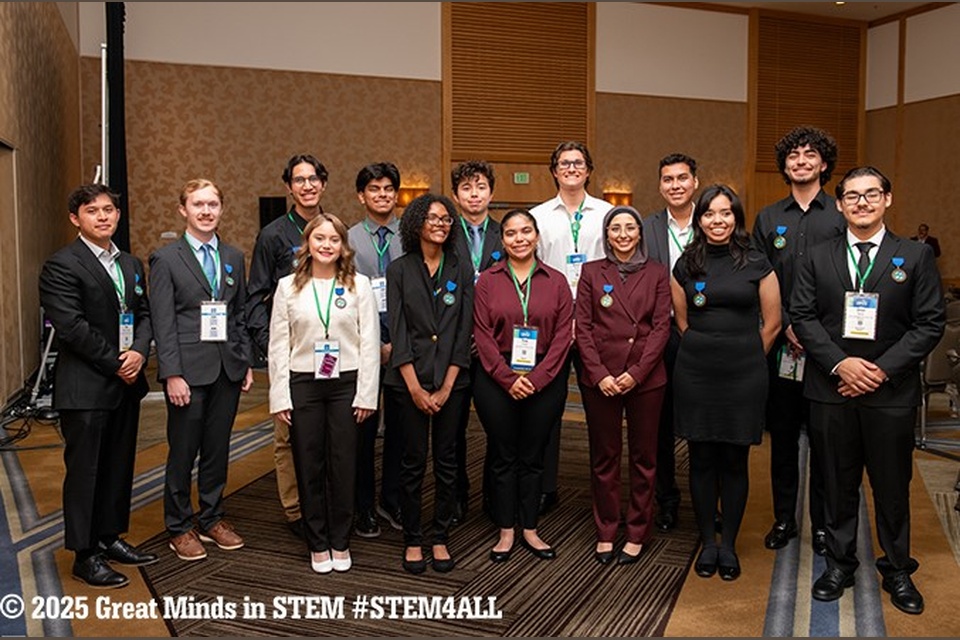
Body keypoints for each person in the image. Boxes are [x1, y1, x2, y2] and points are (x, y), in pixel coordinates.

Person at [792, 166, 945, 615]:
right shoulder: (816, 257)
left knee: (892, 485)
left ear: (887, 199)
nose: (862, 202)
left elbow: (930, 322)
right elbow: (803, 316)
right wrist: (842, 363)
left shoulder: (914, 257)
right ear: (839, 204)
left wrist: (879, 370)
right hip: (831, 388)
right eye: (852, 196)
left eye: (871, 194)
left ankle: (897, 568)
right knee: (836, 483)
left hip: (889, 393)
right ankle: (839, 563)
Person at [39, 184, 158, 588]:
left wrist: (139, 353)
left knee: (118, 466)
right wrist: (116, 362)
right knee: (86, 471)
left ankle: (109, 537)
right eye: (93, 211)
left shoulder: (129, 263)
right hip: (87, 386)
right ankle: (84, 554)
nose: (104, 217)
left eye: (109, 210)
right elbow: (71, 328)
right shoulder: (61, 265)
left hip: (126, 382)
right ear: (76, 219)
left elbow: (144, 313)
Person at [671, 184, 781, 581]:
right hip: (696, 371)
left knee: (734, 459)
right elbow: (681, 321)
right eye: (709, 214)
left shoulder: (756, 261)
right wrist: (706, 350)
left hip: (744, 373)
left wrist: (747, 357)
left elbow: (772, 323)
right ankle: (708, 542)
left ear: (736, 216)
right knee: (700, 458)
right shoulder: (686, 263)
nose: (718, 221)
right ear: (699, 220)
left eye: (725, 213)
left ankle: (729, 544)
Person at [268, 213, 380, 574]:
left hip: (347, 383)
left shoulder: (359, 285)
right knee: (308, 462)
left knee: (344, 463)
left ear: (343, 246)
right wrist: (280, 397)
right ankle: (317, 542)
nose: (327, 245)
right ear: (308, 244)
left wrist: (366, 395)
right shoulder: (287, 287)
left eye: (334, 239)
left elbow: (369, 344)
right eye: (319, 239)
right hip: (303, 384)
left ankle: (340, 539)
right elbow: (278, 346)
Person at [150, 178, 254, 561]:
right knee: (183, 451)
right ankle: (179, 526)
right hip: (187, 374)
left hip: (227, 368)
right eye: (198, 205)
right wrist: (171, 373)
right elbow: (163, 322)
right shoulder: (166, 259)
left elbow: (239, 314)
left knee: (217, 449)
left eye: (213, 204)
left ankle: (211, 517)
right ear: (184, 210)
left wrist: (242, 361)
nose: (206, 211)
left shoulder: (232, 255)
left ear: (221, 209)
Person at [752, 126, 844, 555]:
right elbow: (758, 278)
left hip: (829, 350)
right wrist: (788, 322)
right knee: (784, 439)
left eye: (810, 154)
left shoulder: (842, 215)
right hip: (784, 346)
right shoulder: (769, 218)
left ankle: (825, 525)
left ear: (824, 163)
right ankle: (785, 518)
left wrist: (816, 334)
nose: (801, 161)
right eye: (793, 155)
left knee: (827, 441)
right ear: (784, 165)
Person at [473, 209, 573, 563]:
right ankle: (505, 530)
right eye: (512, 233)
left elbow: (564, 336)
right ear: (503, 241)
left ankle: (530, 527)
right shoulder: (487, 280)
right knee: (503, 455)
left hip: (545, 377)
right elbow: (482, 335)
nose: (519, 238)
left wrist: (536, 378)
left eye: (526, 231)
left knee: (533, 456)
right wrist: (506, 378)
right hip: (495, 377)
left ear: (536, 236)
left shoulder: (557, 280)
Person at [575, 205, 671, 565]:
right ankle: (606, 529)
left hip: (645, 378)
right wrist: (600, 374)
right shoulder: (591, 271)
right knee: (605, 457)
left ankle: (637, 530)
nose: (624, 234)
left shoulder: (658, 273)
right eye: (616, 228)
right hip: (600, 379)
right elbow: (582, 327)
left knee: (645, 458)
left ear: (640, 233)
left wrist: (636, 372)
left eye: (631, 227)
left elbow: (661, 327)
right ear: (607, 234)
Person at [385, 193, 474, 574]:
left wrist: (447, 385)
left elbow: (462, 330)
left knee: (448, 461)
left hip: (452, 381)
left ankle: (439, 534)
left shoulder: (460, 266)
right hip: (407, 382)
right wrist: (417, 389)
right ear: (417, 223)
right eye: (433, 218)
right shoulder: (400, 269)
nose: (440, 224)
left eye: (446, 219)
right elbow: (398, 333)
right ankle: (412, 537)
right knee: (412, 461)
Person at [246, 154, 328, 540]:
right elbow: (256, 297)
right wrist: (269, 347)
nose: (307, 186)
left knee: (327, 432)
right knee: (287, 433)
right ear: (289, 187)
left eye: (313, 179)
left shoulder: (332, 229)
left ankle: (324, 501)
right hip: (290, 350)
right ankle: (295, 510)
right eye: (299, 180)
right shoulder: (274, 235)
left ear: (323, 184)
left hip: (331, 351)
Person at [530, 140, 612, 515]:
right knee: (547, 407)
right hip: (553, 324)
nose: (572, 168)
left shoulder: (609, 214)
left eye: (578, 162)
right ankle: (545, 486)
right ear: (554, 171)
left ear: (589, 169)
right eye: (564, 163)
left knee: (601, 409)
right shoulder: (538, 216)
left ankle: (603, 488)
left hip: (600, 324)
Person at [347, 162, 406, 539]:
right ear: (361, 196)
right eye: (374, 189)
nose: (382, 195)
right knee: (362, 431)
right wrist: (373, 344)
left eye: (388, 189)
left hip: (404, 346)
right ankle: (363, 505)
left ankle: (394, 498)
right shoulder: (347, 237)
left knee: (402, 431)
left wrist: (396, 345)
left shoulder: (412, 235)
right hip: (360, 346)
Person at [642, 153, 699, 532]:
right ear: (660, 185)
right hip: (658, 339)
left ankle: (705, 499)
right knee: (658, 424)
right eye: (667, 179)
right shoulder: (645, 228)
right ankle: (666, 499)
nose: (675, 185)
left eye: (682, 178)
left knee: (701, 423)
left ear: (695, 181)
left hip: (704, 339)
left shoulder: (715, 221)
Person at [449, 160, 503, 526]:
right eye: (466, 188)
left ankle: (494, 499)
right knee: (452, 433)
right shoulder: (442, 233)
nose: (474, 194)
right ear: (456, 196)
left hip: (495, 347)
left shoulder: (509, 233)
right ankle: (455, 501)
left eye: (480, 187)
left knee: (498, 428)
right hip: (452, 346)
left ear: (491, 193)